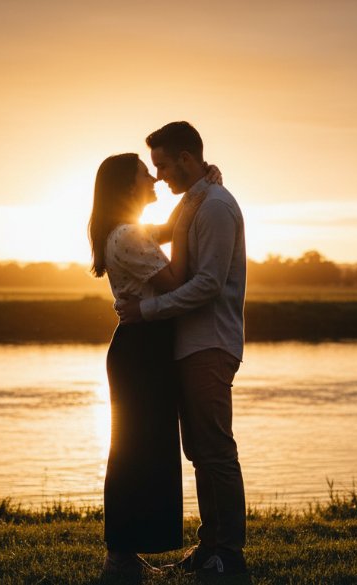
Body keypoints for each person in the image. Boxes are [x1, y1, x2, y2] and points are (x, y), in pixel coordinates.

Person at [116, 121, 249, 578]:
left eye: (164, 165)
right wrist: (116, 226)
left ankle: (228, 554)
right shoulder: (197, 200)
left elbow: (209, 285)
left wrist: (147, 311)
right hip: (191, 344)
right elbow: (166, 230)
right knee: (200, 452)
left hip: (210, 342)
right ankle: (209, 546)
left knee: (216, 451)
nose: (159, 177)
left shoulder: (214, 207)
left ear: (187, 160)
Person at [88, 152, 216, 581]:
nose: (156, 180)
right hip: (141, 351)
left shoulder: (131, 232)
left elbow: (167, 231)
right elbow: (176, 282)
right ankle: (120, 557)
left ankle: (125, 554)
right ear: (128, 186)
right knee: (135, 452)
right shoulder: (127, 235)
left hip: (146, 349)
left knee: (144, 450)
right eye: (147, 174)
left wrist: (197, 196)